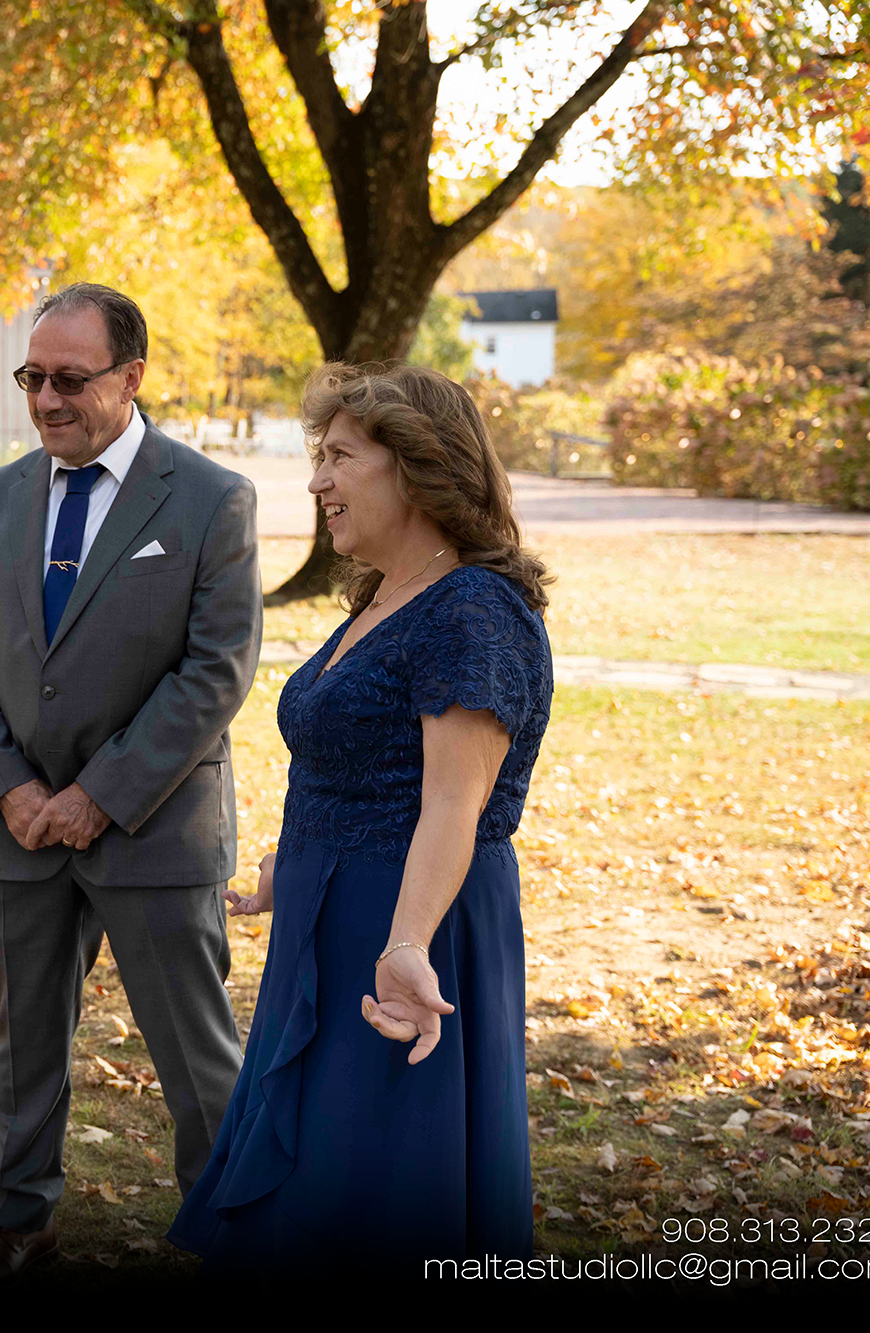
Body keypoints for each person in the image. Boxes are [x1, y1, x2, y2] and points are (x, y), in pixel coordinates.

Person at [168, 362, 555, 1276]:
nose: (316, 482)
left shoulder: (473, 611)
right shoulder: (385, 592)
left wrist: (408, 942)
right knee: (313, 1161)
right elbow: (352, 764)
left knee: (373, 1174)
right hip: (332, 919)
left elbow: (453, 802)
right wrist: (294, 859)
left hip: (410, 931)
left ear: (416, 467)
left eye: (339, 457)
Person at [0, 283, 263, 1283]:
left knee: (196, 1054)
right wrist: (11, 789)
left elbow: (215, 670)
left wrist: (99, 794)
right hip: (19, 833)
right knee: (24, 1045)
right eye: (31, 377)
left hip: (152, 828)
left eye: (69, 379)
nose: (45, 399)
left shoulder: (211, 499)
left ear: (132, 376)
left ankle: (232, 1228)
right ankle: (18, 1223)